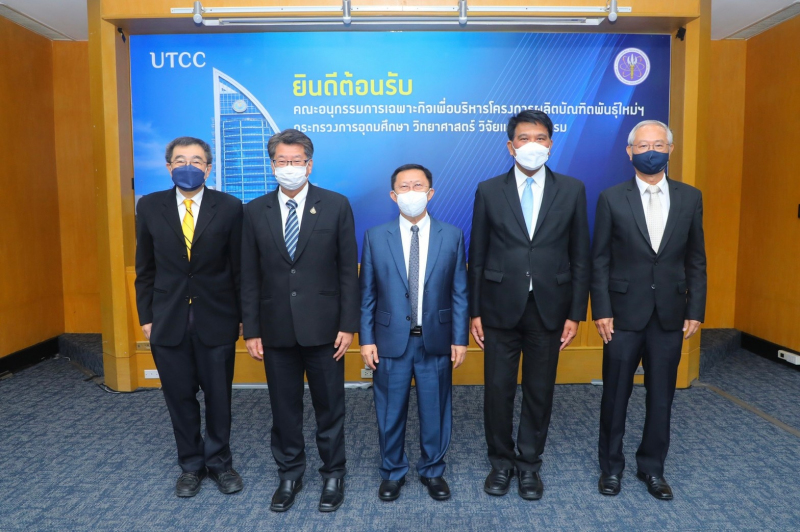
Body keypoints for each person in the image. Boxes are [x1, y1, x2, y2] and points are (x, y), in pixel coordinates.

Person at [468, 110, 591, 500]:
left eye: (540, 138)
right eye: (524, 138)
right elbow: (478, 255)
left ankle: (529, 465)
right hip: (498, 307)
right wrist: (475, 311)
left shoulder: (572, 189)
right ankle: (501, 463)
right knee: (498, 390)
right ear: (511, 146)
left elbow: (580, 256)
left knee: (540, 390)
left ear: (551, 145)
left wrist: (575, 314)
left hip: (550, 308)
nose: (532, 145)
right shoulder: (489, 190)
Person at [240, 128, 359, 513]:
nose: (289, 167)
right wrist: (251, 329)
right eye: (282, 161)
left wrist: (348, 324)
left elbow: (347, 270)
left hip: (326, 329)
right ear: (272, 165)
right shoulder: (254, 210)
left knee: (330, 407)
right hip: (274, 329)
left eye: (296, 161)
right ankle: (289, 473)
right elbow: (248, 275)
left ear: (309, 165)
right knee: (284, 408)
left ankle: (333, 473)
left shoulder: (336, 205)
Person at [592, 119, 706, 500]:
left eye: (658, 145)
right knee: (615, 396)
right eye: (642, 146)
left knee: (661, 398)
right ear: (629, 152)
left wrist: (696, 309)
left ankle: (652, 468)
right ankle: (611, 467)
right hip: (622, 316)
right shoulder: (611, 198)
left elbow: (696, 259)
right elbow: (599, 260)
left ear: (670, 149)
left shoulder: (690, 197)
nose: (651, 151)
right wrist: (601, 309)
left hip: (670, 315)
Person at [134, 136, 244, 497]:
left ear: (208, 169)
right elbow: (145, 268)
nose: (188, 166)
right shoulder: (149, 206)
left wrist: (243, 316)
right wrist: (146, 316)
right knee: (179, 398)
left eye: (196, 161)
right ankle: (191, 466)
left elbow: (239, 268)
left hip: (217, 317)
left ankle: (220, 464)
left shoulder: (229, 207)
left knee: (218, 398)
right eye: (180, 160)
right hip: (167, 320)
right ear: (168, 167)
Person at [359, 164, 469, 502]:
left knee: (435, 411)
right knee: (390, 411)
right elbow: (367, 294)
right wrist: (366, 339)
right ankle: (392, 472)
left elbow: (460, 292)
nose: (411, 192)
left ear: (430, 193)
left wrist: (460, 338)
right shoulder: (376, 236)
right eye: (404, 187)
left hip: (436, 339)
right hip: (390, 340)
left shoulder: (452, 235)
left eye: (418, 186)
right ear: (393, 195)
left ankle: (432, 470)